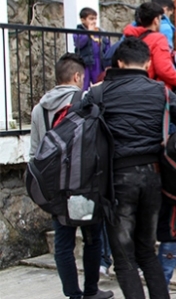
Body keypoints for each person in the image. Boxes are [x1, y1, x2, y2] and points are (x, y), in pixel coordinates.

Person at [84, 37, 176, 299]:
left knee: (124, 257)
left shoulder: (98, 93)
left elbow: (77, 130)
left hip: (116, 181)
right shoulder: (161, 91)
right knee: (146, 251)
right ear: (147, 63)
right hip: (154, 177)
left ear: (119, 62)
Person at [29, 53, 114, 299]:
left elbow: (34, 153)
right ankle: (91, 291)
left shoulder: (39, 109)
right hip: (83, 183)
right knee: (92, 238)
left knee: (63, 243)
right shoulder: (85, 100)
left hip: (55, 188)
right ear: (77, 76)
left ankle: (73, 295)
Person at [123, 2, 176, 91]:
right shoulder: (158, 39)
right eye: (160, 19)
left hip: (129, 86)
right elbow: (164, 70)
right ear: (156, 20)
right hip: (150, 90)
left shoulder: (129, 36)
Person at [73, 7, 111, 91]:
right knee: (83, 86)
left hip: (98, 62)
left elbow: (107, 46)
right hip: (84, 63)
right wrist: (88, 32)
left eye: (95, 19)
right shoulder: (79, 31)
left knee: (99, 85)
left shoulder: (100, 32)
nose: (94, 21)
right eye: (91, 19)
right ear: (83, 20)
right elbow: (79, 43)